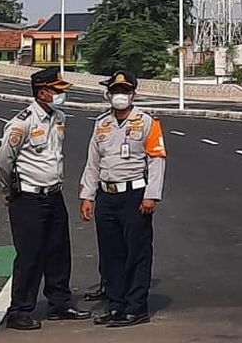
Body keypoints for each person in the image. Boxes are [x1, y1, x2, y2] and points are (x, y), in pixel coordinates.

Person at [0, 67, 92, 330]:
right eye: (57, 91)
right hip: (28, 197)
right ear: (42, 92)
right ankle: (20, 310)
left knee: (59, 251)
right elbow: (4, 160)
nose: (61, 95)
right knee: (30, 255)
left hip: (54, 194)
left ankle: (60, 303)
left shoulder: (59, 117)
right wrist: (10, 190)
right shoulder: (22, 122)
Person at [79, 71, 166, 328]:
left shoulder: (147, 122)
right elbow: (93, 162)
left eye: (125, 91)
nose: (120, 96)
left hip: (135, 195)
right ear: (108, 95)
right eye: (116, 91)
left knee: (137, 253)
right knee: (111, 254)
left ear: (133, 94)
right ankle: (116, 305)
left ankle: (136, 306)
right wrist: (88, 195)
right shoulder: (101, 123)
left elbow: (157, 160)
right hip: (107, 196)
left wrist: (152, 194)